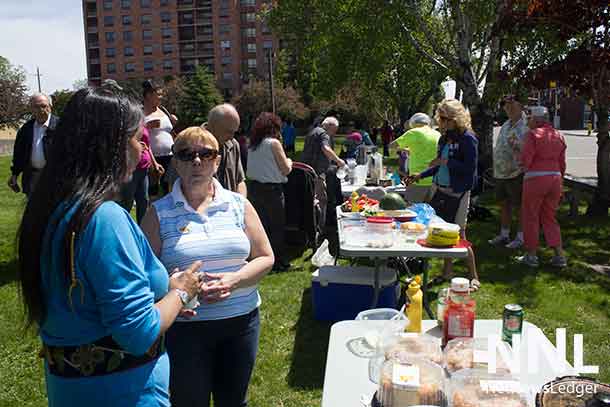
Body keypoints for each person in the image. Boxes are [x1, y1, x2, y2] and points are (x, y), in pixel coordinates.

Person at [17, 87, 201, 407]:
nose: (142, 147)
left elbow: (90, 293)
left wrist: (163, 290)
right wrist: (182, 291)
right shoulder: (104, 219)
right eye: (135, 137)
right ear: (109, 146)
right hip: (123, 394)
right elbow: (138, 333)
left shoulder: (50, 208)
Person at [141, 126, 274, 407]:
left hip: (241, 324)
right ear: (175, 162)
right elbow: (142, 274)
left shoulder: (239, 205)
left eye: (206, 154)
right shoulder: (158, 212)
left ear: (217, 161)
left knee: (234, 401)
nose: (197, 161)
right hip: (185, 329)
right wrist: (172, 285)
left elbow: (265, 257)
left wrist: (233, 280)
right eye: (187, 155)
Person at [406, 99, 480, 289]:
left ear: (456, 119)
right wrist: (419, 175)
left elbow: (469, 168)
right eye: (440, 118)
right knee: (443, 230)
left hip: (459, 192)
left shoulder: (468, 138)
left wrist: (446, 162)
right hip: (440, 189)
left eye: (445, 118)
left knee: (459, 233)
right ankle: (447, 271)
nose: (441, 122)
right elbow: (438, 165)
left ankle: (473, 276)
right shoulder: (444, 138)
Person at [517, 106, 567, 268]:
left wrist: (520, 162)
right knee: (550, 217)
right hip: (555, 179)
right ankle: (559, 255)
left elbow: (526, 159)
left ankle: (531, 255)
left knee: (531, 216)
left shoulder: (532, 135)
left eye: (529, 118)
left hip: (535, 179)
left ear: (536, 120)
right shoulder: (558, 136)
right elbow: (562, 163)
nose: (528, 121)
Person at [247, 112, 293, 272]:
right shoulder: (273, 143)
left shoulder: (252, 145)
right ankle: (278, 262)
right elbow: (285, 169)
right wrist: (290, 161)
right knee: (276, 227)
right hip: (272, 190)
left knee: (261, 227)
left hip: (254, 188)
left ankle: (260, 259)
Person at [488, 95, 529, 249]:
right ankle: (504, 234)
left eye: (512, 105)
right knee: (504, 204)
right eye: (506, 105)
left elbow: (528, 149)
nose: (509, 108)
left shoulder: (526, 125)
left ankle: (520, 236)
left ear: (521, 106)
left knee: (519, 206)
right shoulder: (506, 124)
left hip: (517, 172)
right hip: (501, 172)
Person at [8, 93, 58, 198]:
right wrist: (14, 175)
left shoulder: (60, 126)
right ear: (31, 109)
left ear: (50, 107)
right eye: (36, 107)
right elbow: (19, 154)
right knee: (33, 212)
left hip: (55, 178)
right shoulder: (25, 129)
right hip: (32, 178)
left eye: (43, 106)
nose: (40, 110)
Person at [391, 113, 441, 202]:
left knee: (412, 210)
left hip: (417, 180)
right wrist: (410, 150)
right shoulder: (437, 134)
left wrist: (403, 148)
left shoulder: (414, 132)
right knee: (430, 212)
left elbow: (392, 145)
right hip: (435, 179)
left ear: (413, 123)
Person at [119, 126, 165, 223]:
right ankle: (123, 226)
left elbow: (148, 146)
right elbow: (119, 143)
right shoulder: (126, 123)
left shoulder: (143, 125)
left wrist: (155, 163)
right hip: (131, 168)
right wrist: (136, 145)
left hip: (144, 168)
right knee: (127, 201)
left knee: (144, 200)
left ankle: (143, 229)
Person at [204, 103, 247, 197]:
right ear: (214, 125)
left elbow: (240, 181)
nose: (232, 137)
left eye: (234, 132)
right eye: (229, 132)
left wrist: (241, 203)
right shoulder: (190, 144)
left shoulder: (233, 145)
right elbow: (175, 185)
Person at [143, 80, 178, 196]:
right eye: (158, 94)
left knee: (169, 189)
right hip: (153, 159)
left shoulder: (163, 110)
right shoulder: (140, 112)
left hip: (170, 156)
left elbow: (169, 132)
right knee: (153, 192)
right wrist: (146, 126)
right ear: (148, 95)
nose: (161, 97)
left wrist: (173, 122)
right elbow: (136, 134)